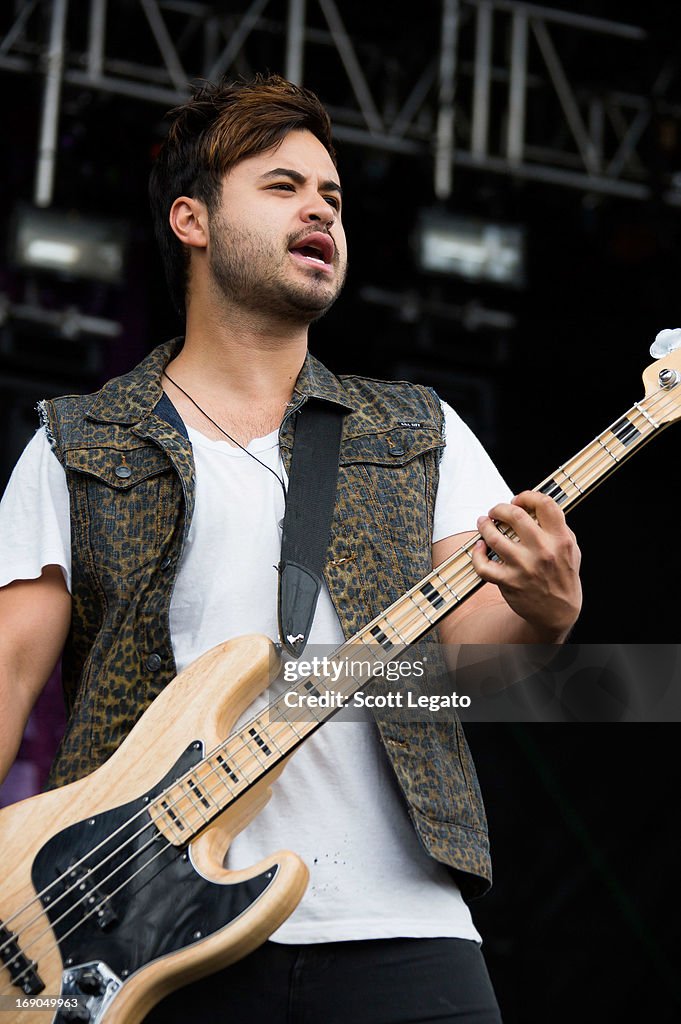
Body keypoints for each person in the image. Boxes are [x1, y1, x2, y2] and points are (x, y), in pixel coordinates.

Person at [0, 75, 581, 1022]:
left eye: (333, 197)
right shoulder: (78, 444)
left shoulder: (418, 431)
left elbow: (475, 668)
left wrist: (547, 614)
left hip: (402, 930)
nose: (319, 210)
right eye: (281, 187)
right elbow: (7, 679)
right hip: (134, 938)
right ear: (191, 220)